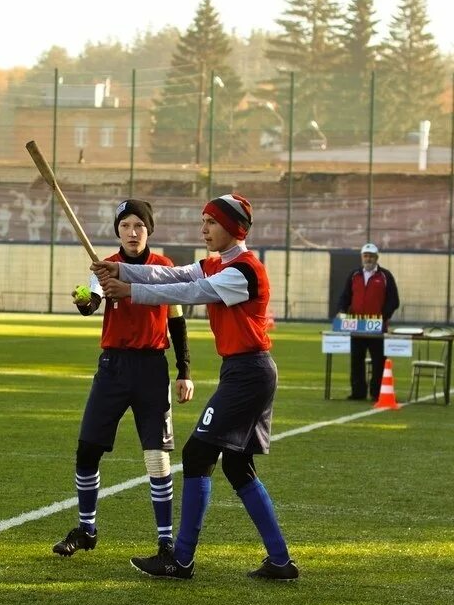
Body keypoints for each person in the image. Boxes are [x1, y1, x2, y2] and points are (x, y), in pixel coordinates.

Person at [93, 193, 298, 582]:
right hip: (244, 371)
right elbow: (175, 275)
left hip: (249, 373)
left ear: (233, 228)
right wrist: (121, 271)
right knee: (237, 467)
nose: (203, 229)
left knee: (197, 451)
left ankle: (181, 560)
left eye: (211, 223)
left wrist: (129, 291)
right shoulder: (220, 263)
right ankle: (280, 561)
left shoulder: (244, 271)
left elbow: (190, 293)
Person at [52, 199, 194, 560]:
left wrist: (184, 371)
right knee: (88, 450)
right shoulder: (104, 268)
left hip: (151, 369)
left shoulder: (164, 267)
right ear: (118, 230)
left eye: (140, 226)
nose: (133, 233)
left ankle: (165, 540)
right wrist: (84, 299)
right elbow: (90, 304)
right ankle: (86, 530)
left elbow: (176, 321)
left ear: (149, 230)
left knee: (156, 457)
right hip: (112, 368)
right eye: (127, 226)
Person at [337, 242, 400, 400]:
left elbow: (394, 300)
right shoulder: (354, 275)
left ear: (377, 257)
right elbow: (345, 297)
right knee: (356, 360)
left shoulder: (385, 276)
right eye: (366, 255)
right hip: (357, 325)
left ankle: (377, 392)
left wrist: (382, 317)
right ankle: (358, 393)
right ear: (362, 257)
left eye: (371, 256)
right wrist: (342, 311)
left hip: (377, 327)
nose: (368, 258)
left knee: (379, 361)